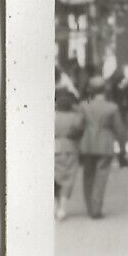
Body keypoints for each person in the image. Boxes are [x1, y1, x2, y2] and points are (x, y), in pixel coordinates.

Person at [78, 81, 127, 219]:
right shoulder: (112, 107)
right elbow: (120, 130)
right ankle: (96, 208)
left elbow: (78, 125)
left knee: (88, 176)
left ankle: (89, 207)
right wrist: (122, 148)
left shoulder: (84, 106)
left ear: (90, 91)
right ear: (105, 91)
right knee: (101, 177)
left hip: (87, 143)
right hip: (105, 144)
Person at [54, 90, 85, 220]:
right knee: (67, 179)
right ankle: (62, 209)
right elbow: (80, 130)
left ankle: (57, 206)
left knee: (54, 179)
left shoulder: (51, 116)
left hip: (53, 148)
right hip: (70, 149)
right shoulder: (75, 118)